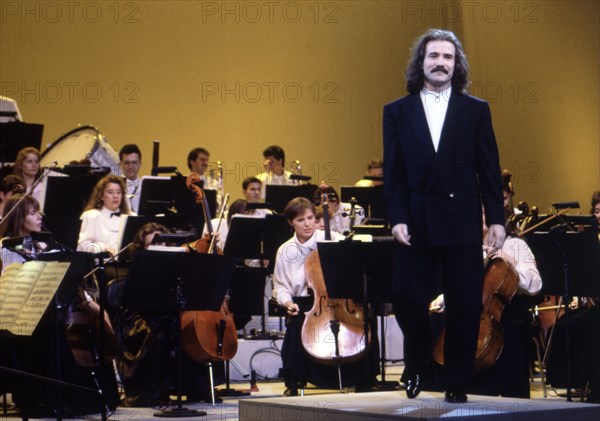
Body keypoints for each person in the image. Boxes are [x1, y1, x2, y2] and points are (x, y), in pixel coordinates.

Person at [383, 28, 505, 403]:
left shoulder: (476, 110)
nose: (440, 63)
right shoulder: (396, 111)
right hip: (416, 219)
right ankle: (417, 360)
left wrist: (497, 219)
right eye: (433, 56)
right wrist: (397, 216)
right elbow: (394, 171)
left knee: (465, 303)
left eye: (447, 57)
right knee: (405, 296)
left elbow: (489, 167)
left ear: (457, 65)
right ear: (420, 62)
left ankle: (455, 380)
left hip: (460, 218)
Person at [429, 204, 542, 398]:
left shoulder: (514, 245)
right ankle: (448, 386)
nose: (479, 216)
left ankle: (509, 393)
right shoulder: (468, 247)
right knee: (438, 321)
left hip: (507, 311)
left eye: (483, 211)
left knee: (514, 331)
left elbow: (535, 285)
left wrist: (510, 263)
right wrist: (443, 299)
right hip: (474, 309)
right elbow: (460, 286)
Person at [272, 197, 378, 396]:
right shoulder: (285, 251)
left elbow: (357, 254)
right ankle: (295, 381)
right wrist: (287, 303)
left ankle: (364, 377)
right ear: (290, 223)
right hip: (306, 303)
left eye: (311, 218)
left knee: (367, 320)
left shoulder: (332, 238)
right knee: (295, 326)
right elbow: (280, 286)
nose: (307, 224)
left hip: (340, 298)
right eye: (301, 220)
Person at [77, 175, 131, 255]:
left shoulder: (129, 217)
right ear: (101, 196)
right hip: (100, 264)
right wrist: (103, 247)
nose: (115, 196)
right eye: (110, 192)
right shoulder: (92, 216)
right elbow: (82, 246)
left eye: (119, 192)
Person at [0, 194, 45, 272]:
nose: (40, 217)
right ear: (18, 218)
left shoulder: (42, 245)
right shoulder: (5, 246)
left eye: (38, 212)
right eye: (33, 213)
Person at [119, 144, 142, 213]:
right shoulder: (115, 186)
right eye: (127, 163)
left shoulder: (145, 186)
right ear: (121, 164)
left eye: (134, 163)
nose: (130, 166)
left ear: (140, 164)